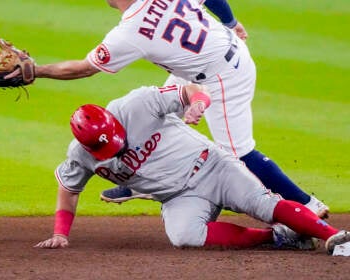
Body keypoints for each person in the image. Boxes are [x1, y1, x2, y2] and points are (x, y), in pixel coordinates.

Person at [6, 0, 328, 216]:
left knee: (239, 152)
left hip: (222, 76)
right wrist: (231, 21)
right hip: (222, 52)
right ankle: (142, 181)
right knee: (160, 108)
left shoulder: (128, 32)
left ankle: (308, 205)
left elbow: (84, 68)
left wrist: (38, 71)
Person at [34, 83, 349, 255]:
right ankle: (278, 238)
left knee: (264, 203)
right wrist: (60, 234)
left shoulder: (138, 103)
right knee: (185, 236)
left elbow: (191, 90)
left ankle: (336, 238)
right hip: (178, 198)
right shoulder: (81, 155)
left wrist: (198, 102)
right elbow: (69, 189)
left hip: (212, 167)